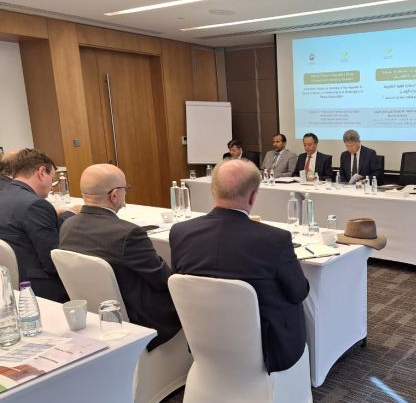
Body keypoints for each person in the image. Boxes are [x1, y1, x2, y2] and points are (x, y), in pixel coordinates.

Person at [169, 159, 309, 373]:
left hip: (204, 340)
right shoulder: (275, 239)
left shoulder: (180, 232)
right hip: (266, 348)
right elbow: (298, 292)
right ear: (253, 196)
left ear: (212, 190)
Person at [59, 164, 181, 350]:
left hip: (93, 315)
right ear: (114, 195)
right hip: (141, 319)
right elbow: (164, 280)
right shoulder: (128, 233)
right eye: (126, 188)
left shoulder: (68, 226)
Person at [0, 148, 76, 301]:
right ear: (41, 172)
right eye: (52, 178)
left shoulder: (4, 195)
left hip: (10, 282)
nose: (52, 185)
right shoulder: (36, 205)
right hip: (41, 289)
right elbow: (52, 261)